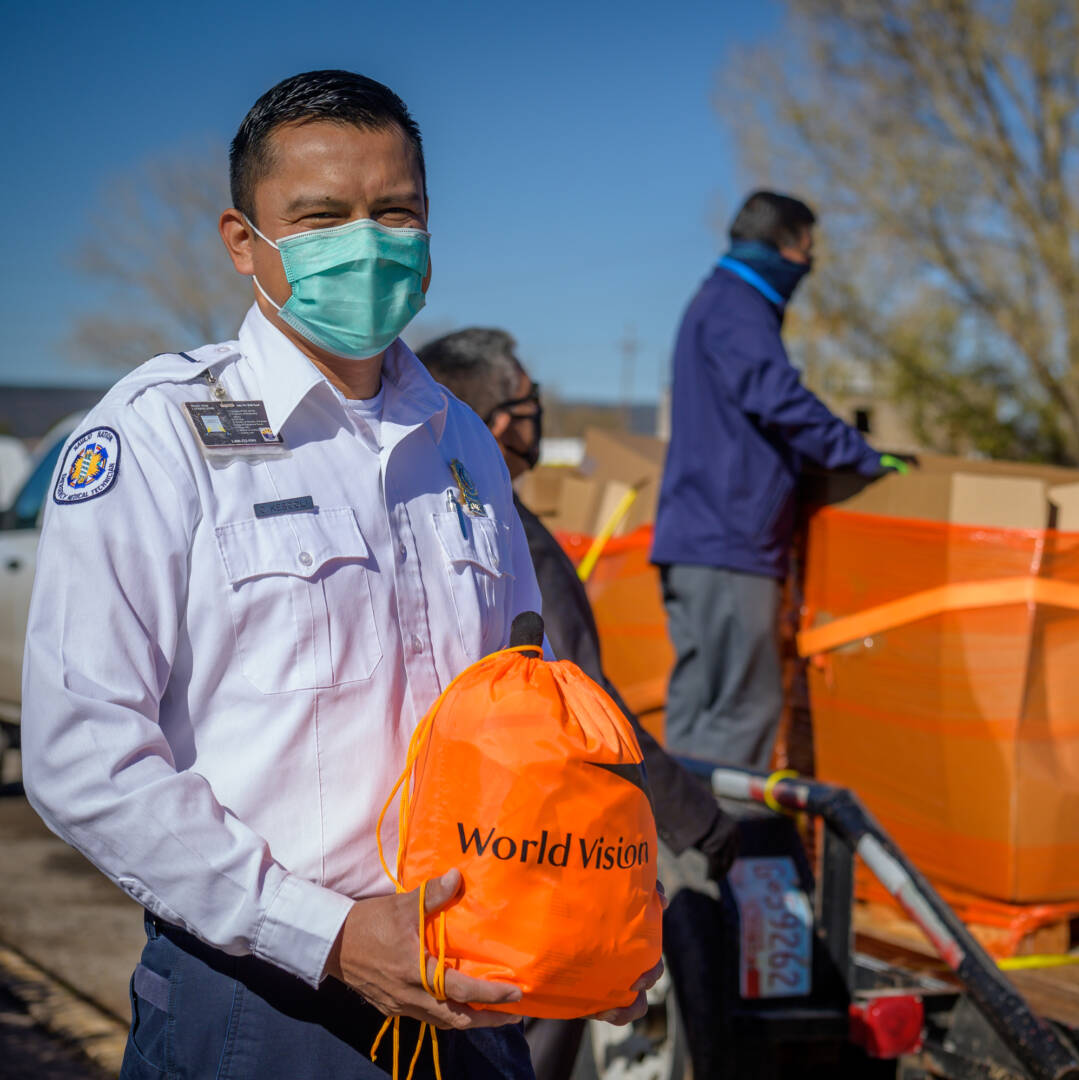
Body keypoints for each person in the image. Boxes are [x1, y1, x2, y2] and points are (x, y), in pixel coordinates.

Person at [21, 71, 657, 1080]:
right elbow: (84, 756)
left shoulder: (462, 444)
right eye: (321, 217)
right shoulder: (158, 436)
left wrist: (583, 913)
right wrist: (327, 933)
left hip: (474, 992)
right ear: (245, 241)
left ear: (428, 226)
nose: (366, 241)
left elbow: (523, 725)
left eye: (393, 212)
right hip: (263, 1005)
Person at [417, 328, 742, 1080]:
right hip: (531, 863)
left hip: (460, 851)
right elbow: (586, 718)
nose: (539, 419)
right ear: (502, 422)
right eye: (530, 403)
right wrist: (697, 821)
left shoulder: (435, 519)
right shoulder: (513, 536)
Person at [650, 191, 908, 771]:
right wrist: (858, 454)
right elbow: (778, 397)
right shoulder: (736, 306)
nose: (810, 262)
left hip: (701, 538)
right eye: (809, 248)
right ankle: (715, 856)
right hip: (728, 541)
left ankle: (674, 855)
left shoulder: (717, 300)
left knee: (700, 712)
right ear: (788, 244)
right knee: (743, 709)